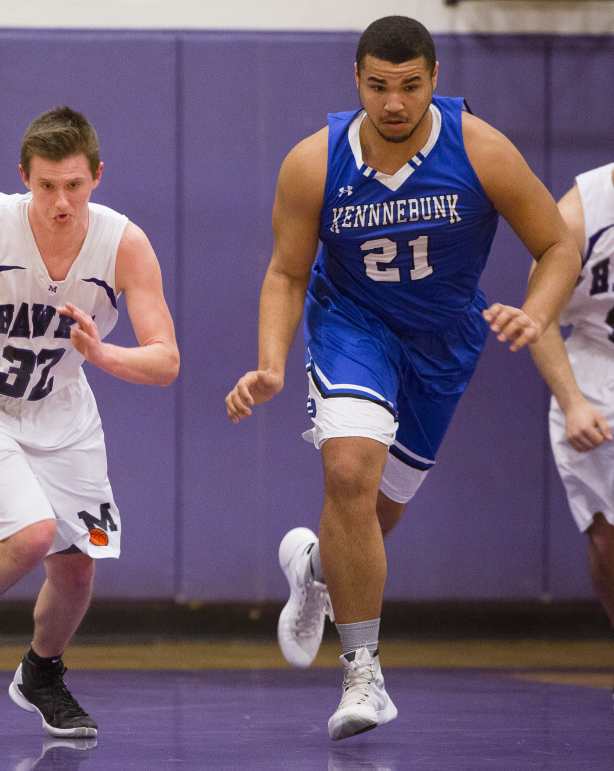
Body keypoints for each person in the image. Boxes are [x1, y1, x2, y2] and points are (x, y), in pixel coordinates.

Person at [225, 16, 581, 740]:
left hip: (444, 341)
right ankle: (363, 672)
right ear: (355, 78)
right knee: (349, 471)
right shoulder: (313, 162)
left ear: (435, 80)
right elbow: (287, 271)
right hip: (354, 326)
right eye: (379, 86)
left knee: (374, 518)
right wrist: (271, 360)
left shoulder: (480, 150)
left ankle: (318, 564)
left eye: (410, 86)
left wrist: (539, 314)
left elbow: (555, 245)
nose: (394, 102)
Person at [0, 106, 179, 738]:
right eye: (47, 186)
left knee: (78, 567)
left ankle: (42, 672)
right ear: (25, 177)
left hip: (62, 408)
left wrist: (104, 354)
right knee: (32, 532)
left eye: (74, 184)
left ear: (97, 176)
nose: (61, 201)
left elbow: (166, 362)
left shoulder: (125, 245)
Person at [528, 162, 614, 701]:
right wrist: (573, 402)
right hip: (596, 371)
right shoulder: (579, 212)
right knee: (608, 545)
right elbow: (538, 318)